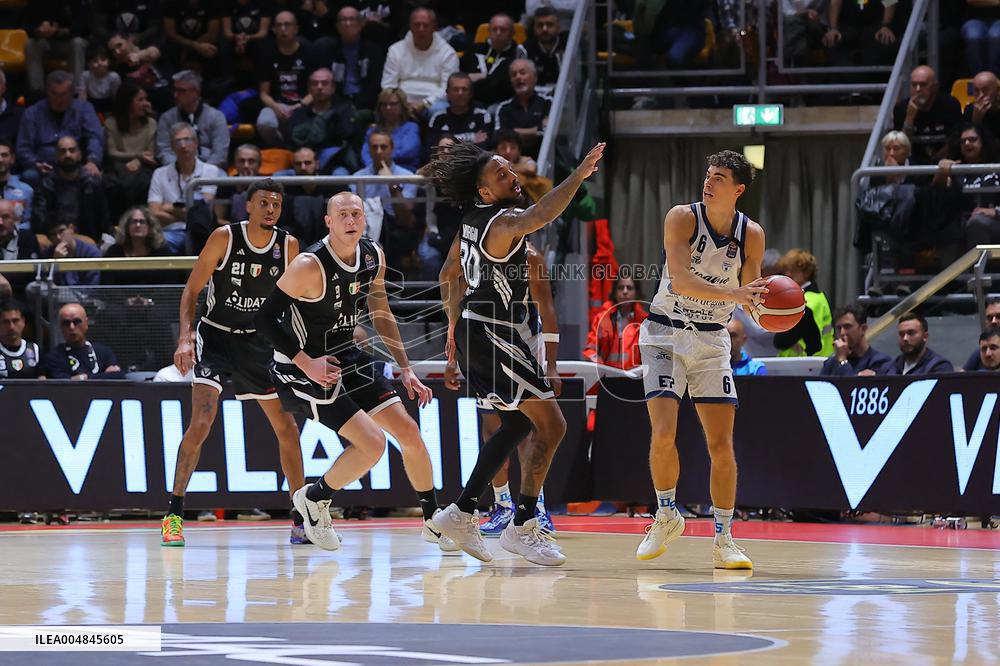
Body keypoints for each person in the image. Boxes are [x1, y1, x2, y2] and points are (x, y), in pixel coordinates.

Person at [430, 140, 605, 566]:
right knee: (553, 425)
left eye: (510, 169)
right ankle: (523, 525)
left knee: (513, 425)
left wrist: (454, 327)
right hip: (495, 334)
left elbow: (448, 274)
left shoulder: (470, 223)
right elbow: (541, 214)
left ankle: (463, 511)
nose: (512, 176)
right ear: (486, 192)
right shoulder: (504, 221)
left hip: (477, 331)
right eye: (501, 175)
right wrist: (578, 176)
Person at [255, 191, 457, 554]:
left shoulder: (372, 254)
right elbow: (266, 319)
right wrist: (306, 363)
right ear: (328, 222)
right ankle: (316, 500)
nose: (351, 220)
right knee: (373, 444)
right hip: (302, 366)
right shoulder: (307, 264)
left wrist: (406, 368)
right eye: (343, 215)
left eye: (357, 214)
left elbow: (381, 311)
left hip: (346, 354)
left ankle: (432, 520)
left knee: (409, 432)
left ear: (365, 220)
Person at [636, 150, 767, 570]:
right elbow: (680, 279)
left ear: (739, 189)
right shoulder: (681, 217)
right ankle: (666, 513)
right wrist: (736, 296)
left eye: (720, 178)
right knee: (662, 433)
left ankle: (724, 538)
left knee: (721, 444)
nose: (709, 182)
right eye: (708, 175)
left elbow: (752, 293)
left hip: (712, 341)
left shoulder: (752, 235)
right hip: (663, 331)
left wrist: (773, 310)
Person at [162, 179, 305, 548]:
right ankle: (173, 514)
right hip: (216, 338)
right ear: (249, 207)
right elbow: (192, 290)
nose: (271, 209)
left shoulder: (289, 246)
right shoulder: (224, 237)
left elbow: (296, 302)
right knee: (202, 422)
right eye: (264, 203)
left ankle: (301, 519)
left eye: (276, 204)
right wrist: (185, 336)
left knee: (287, 428)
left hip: (258, 345)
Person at [443, 242, 561, 537]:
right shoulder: (474, 248)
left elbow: (547, 312)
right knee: (492, 426)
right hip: (486, 347)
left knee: (527, 430)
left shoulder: (532, 258)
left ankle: (535, 507)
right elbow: (450, 283)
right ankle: (502, 505)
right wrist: (453, 355)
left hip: (523, 347)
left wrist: (552, 365)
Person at [17, 71, 105, 186]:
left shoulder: (84, 109)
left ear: (72, 92)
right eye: (54, 94)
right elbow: (23, 148)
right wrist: (35, 163)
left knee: (92, 175)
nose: (59, 99)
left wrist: (92, 161)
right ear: (47, 92)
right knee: (29, 176)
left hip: (75, 165)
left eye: (63, 94)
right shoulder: (32, 113)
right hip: (43, 166)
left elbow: (95, 137)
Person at [380, 7, 459, 117]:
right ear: (410, 26)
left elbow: (448, 88)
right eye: (417, 25)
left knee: (440, 110)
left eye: (425, 25)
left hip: (434, 103)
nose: (421, 29)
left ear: (434, 27)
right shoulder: (395, 50)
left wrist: (425, 103)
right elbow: (388, 84)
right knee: (387, 105)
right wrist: (403, 103)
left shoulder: (448, 53)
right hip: (401, 102)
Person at [32, 135, 111, 242]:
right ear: (56, 156)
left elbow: (103, 217)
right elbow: (39, 218)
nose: (67, 155)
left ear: (79, 155)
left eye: (72, 150)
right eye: (62, 151)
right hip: (54, 235)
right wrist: (59, 230)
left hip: (86, 236)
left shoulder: (92, 183)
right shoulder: (45, 183)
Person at [104, 81, 158, 218]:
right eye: (140, 100)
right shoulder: (111, 123)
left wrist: (139, 161)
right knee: (111, 183)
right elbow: (112, 152)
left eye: (146, 99)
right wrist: (138, 155)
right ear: (127, 102)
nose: (146, 103)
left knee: (144, 181)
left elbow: (150, 154)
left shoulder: (151, 123)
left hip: (142, 166)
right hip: (119, 164)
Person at [156, 71, 230, 170]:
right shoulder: (167, 118)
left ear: (197, 92)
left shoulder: (216, 117)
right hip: (176, 170)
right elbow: (164, 150)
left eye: (182, 91)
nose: (175, 95)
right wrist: (180, 169)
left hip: (210, 171)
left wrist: (203, 172)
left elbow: (220, 153)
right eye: (175, 90)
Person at [893, 65, 963, 165]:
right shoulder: (901, 108)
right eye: (914, 85)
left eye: (923, 85)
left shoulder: (950, 105)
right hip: (914, 164)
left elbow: (956, 138)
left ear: (935, 87)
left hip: (946, 161)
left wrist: (938, 159)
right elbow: (900, 146)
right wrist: (909, 118)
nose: (917, 89)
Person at [774, 249, 834, 358]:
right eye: (786, 270)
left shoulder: (805, 301)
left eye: (793, 269)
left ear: (806, 272)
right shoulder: (818, 297)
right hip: (809, 362)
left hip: (804, 363)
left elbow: (781, 341)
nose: (788, 274)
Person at [459, 13, 527, 107]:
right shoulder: (475, 49)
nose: (498, 33)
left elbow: (505, 86)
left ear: (512, 33)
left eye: (503, 30)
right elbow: (459, 76)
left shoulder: (518, 54)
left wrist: (482, 76)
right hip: (469, 100)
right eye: (494, 29)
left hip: (500, 103)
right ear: (489, 31)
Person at [39, 303, 123, 379]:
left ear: (86, 323)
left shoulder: (104, 352)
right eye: (66, 323)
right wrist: (103, 376)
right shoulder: (54, 356)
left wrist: (84, 377)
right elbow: (65, 383)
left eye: (76, 321)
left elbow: (118, 376)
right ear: (61, 327)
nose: (71, 327)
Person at [102, 207, 181, 285]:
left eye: (142, 222)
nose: (138, 225)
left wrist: (150, 298)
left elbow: (170, 282)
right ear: (127, 226)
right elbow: (107, 283)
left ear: (150, 226)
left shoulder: (162, 252)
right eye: (134, 222)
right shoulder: (114, 252)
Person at [583, 276, 647, 370]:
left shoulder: (644, 322)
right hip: (605, 376)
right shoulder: (602, 319)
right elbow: (590, 350)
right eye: (621, 288)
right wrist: (598, 363)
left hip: (635, 378)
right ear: (615, 293)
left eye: (629, 288)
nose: (625, 292)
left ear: (636, 293)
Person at [820, 304, 893, 376]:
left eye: (847, 327)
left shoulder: (880, 362)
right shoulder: (830, 364)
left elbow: (851, 386)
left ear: (863, 329)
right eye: (839, 328)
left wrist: (843, 361)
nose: (842, 333)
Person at [361, 88, 423, 173]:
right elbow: (366, 154)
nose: (388, 108)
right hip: (374, 172)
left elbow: (406, 153)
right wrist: (376, 168)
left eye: (393, 104)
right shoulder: (373, 130)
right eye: (384, 104)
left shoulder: (411, 128)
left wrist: (378, 158)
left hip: (404, 173)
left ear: (402, 106)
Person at [428, 72, 493, 148]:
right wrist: (471, 139)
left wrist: (447, 144)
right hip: (445, 160)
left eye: (464, 89)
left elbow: (484, 147)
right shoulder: (438, 118)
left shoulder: (482, 116)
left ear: (471, 93)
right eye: (456, 89)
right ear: (447, 93)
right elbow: (431, 150)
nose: (460, 93)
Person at [886, 313, 954, 375]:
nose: (905, 338)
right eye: (901, 334)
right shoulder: (890, 367)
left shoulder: (939, 366)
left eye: (911, 333)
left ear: (925, 336)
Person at [40, 221, 102, 287]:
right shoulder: (48, 253)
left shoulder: (91, 252)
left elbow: (92, 285)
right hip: (56, 293)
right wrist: (55, 262)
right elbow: (43, 279)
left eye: (61, 231)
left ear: (71, 229)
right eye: (53, 234)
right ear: (49, 238)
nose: (58, 237)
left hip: (82, 294)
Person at [524, 6, 564, 94]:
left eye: (549, 24)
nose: (544, 29)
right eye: (540, 25)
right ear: (534, 28)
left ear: (558, 27)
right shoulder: (525, 49)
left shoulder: (569, 46)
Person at [0, 300, 41, 379]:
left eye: (15, 321)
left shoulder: (35, 350)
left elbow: (42, 382)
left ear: (23, 321)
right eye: (6, 322)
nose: (11, 327)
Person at [78, 45, 122, 116]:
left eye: (103, 60)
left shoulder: (114, 77)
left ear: (109, 62)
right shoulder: (85, 75)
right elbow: (82, 97)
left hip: (108, 107)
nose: (100, 63)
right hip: (91, 106)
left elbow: (116, 98)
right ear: (89, 64)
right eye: (95, 60)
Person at [0, 140, 34, 229]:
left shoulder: (26, 190)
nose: (0, 160)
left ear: (12, 159)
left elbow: (27, 223)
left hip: (18, 238)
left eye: (4, 155)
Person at [962, 297, 1000, 371]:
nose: (993, 321)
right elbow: (959, 379)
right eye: (989, 318)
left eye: (999, 316)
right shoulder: (981, 352)